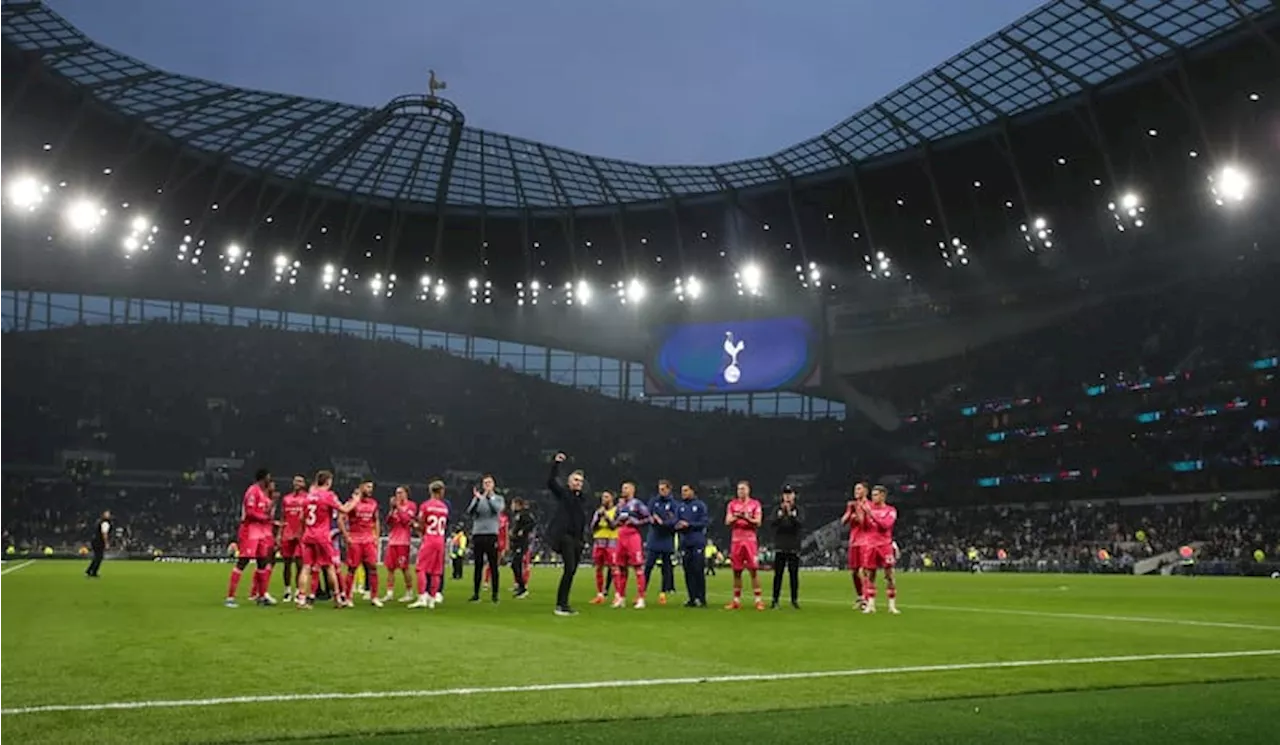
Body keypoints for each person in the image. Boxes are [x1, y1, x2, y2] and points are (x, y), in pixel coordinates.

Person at [297, 470, 361, 609]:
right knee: (329, 567)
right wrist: (355, 501)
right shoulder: (328, 495)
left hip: (308, 535)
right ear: (328, 482)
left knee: (306, 567)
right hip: (322, 536)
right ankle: (337, 599)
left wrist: (303, 533)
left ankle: (301, 599)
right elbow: (344, 509)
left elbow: (302, 517)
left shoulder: (308, 497)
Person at [545, 452, 589, 617]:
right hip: (564, 536)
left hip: (577, 539)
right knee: (569, 568)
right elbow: (550, 482)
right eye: (576, 480)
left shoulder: (582, 499)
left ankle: (564, 603)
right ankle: (560, 605)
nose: (578, 483)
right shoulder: (564, 494)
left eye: (580, 481)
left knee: (571, 571)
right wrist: (556, 464)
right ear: (569, 482)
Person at [225, 469, 275, 608]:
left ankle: (261, 596)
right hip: (250, 530)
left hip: (261, 531)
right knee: (243, 561)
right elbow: (250, 512)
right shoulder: (252, 491)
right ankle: (230, 597)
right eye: (268, 478)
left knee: (262, 562)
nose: (269, 481)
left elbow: (266, 512)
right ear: (263, 478)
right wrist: (265, 518)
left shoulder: (263, 495)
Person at [337, 479, 382, 608]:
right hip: (355, 539)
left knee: (373, 568)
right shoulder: (353, 503)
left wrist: (376, 537)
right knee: (352, 568)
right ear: (361, 487)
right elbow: (340, 518)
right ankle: (348, 597)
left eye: (371, 487)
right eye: (368, 486)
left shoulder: (373, 503)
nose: (370, 489)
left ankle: (374, 597)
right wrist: (346, 536)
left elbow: (376, 520)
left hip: (368, 540)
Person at [724, 480, 764, 611]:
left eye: (743, 489)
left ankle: (758, 600)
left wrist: (745, 518)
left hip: (750, 540)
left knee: (753, 570)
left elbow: (757, 522)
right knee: (736, 571)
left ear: (748, 490)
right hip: (736, 540)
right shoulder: (732, 504)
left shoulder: (755, 504)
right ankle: (736, 600)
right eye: (738, 489)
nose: (740, 491)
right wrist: (738, 516)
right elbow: (728, 521)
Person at [410, 480, 450, 609]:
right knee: (436, 571)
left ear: (431, 491)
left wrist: (414, 525)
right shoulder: (444, 507)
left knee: (421, 568)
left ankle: (422, 597)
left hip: (429, 540)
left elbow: (421, 525)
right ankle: (432, 599)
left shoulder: (426, 505)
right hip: (440, 540)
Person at [860, 485, 899, 615]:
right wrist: (864, 515)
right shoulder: (869, 509)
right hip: (870, 545)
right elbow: (864, 527)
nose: (873, 497)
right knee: (870, 575)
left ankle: (892, 605)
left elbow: (885, 525)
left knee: (889, 575)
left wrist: (870, 513)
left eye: (876, 495)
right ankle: (871, 605)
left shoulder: (890, 510)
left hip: (885, 545)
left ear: (883, 496)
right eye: (872, 495)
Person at [467, 475, 504, 603]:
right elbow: (470, 512)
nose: (487, 485)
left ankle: (495, 594)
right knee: (478, 565)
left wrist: (488, 498)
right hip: (478, 534)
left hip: (491, 534)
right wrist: (477, 500)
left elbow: (497, 510)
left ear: (493, 485)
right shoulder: (478, 498)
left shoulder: (498, 499)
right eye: (485, 483)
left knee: (493, 565)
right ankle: (476, 593)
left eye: (489, 483)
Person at [613, 481, 650, 609]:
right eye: (622, 488)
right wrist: (618, 520)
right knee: (621, 568)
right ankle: (621, 597)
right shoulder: (620, 505)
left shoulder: (637, 504)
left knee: (637, 567)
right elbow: (614, 522)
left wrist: (636, 522)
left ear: (632, 490)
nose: (623, 490)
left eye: (626, 488)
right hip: (621, 536)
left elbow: (648, 518)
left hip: (633, 536)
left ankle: (641, 598)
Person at [673, 484, 709, 607]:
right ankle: (692, 598)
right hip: (684, 542)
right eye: (682, 490)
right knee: (687, 571)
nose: (683, 493)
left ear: (692, 491)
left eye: (686, 490)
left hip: (697, 541)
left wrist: (688, 524)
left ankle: (701, 598)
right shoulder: (680, 507)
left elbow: (704, 522)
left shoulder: (700, 505)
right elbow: (675, 522)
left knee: (698, 570)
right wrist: (677, 525)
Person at [644, 480, 679, 605]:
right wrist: (656, 520)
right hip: (654, 538)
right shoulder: (654, 501)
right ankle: (641, 592)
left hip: (667, 539)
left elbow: (675, 520)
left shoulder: (674, 504)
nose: (661, 491)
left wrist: (663, 522)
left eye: (664, 489)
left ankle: (663, 592)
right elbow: (648, 515)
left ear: (669, 489)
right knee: (648, 566)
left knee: (666, 567)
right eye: (660, 489)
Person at [770, 486, 803, 609]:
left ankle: (794, 600)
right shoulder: (777, 509)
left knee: (793, 575)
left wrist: (790, 515)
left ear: (794, 495)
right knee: (778, 575)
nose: (787, 496)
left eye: (790, 494)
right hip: (780, 546)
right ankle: (775, 600)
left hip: (793, 546)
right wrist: (780, 516)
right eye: (785, 494)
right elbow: (771, 524)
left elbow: (800, 524)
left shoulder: (799, 509)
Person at [383, 486, 417, 603]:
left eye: (401, 492)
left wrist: (398, 507)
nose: (398, 495)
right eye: (397, 493)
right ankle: (389, 593)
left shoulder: (411, 506)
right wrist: (392, 510)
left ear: (406, 493)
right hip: (392, 541)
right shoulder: (395, 508)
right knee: (390, 568)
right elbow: (388, 522)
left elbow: (406, 521)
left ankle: (409, 592)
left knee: (404, 568)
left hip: (403, 542)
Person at [278, 475, 309, 603]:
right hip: (287, 534)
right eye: (295, 481)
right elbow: (282, 517)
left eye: (300, 481)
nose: (297, 483)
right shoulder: (286, 499)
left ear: (304, 484)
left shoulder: (307, 499)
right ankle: (287, 590)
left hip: (301, 535)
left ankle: (298, 590)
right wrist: (279, 534)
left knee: (299, 564)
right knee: (286, 564)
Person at [841, 482, 870, 610]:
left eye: (859, 488)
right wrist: (850, 512)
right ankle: (859, 596)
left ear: (866, 491)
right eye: (855, 489)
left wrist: (858, 511)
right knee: (853, 572)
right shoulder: (852, 505)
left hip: (866, 541)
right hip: (854, 541)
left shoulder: (869, 505)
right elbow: (843, 522)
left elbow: (863, 522)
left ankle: (866, 598)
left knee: (863, 571)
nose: (856, 491)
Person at [589, 491, 619, 605]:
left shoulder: (616, 511)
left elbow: (614, 526)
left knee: (614, 568)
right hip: (599, 542)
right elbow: (592, 527)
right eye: (602, 497)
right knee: (598, 568)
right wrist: (598, 518)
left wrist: (606, 517)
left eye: (606, 497)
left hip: (611, 542)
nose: (603, 499)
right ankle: (600, 594)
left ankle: (618, 595)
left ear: (612, 498)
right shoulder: (598, 511)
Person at [509, 498, 535, 598]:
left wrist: (523, 531)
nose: (511, 506)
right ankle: (520, 587)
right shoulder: (517, 515)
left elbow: (532, 523)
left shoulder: (524, 514)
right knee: (515, 565)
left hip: (521, 543)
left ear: (517, 504)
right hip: (516, 543)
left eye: (513, 504)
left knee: (516, 564)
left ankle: (522, 588)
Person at [484, 510, 510, 591]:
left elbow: (506, 532)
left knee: (496, 563)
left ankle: (490, 581)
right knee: (491, 562)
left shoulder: (504, 518)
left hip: (500, 542)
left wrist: (506, 545)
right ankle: (486, 581)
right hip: (494, 541)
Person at [85, 509, 111, 578]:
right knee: (99, 557)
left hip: (95, 541)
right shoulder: (105, 523)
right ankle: (93, 572)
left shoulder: (99, 522)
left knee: (96, 557)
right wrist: (106, 543)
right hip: (99, 541)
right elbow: (104, 534)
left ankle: (90, 570)